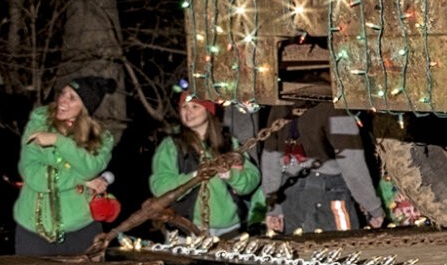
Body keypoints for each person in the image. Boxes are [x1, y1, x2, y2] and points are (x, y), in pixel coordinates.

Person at [13, 76, 118, 255]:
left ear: (85, 107)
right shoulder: (39, 123)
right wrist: (82, 181)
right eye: (63, 93)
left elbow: (90, 168)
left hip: (82, 229)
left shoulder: (101, 138)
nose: (62, 100)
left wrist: (58, 141)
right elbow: (32, 174)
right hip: (33, 230)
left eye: (72, 97)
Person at [150, 88, 260, 236]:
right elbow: (160, 186)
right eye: (184, 107)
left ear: (208, 111)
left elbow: (252, 178)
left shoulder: (228, 143)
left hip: (230, 230)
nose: (188, 112)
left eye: (195, 107)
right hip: (186, 230)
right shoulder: (172, 146)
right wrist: (195, 176)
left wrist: (231, 175)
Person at [260, 102, 384, 233]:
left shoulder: (280, 103)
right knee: (343, 250)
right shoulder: (334, 106)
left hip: (291, 196)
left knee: (299, 251)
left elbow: (270, 160)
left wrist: (273, 207)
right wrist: (372, 207)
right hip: (329, 196)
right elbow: (352, 163)